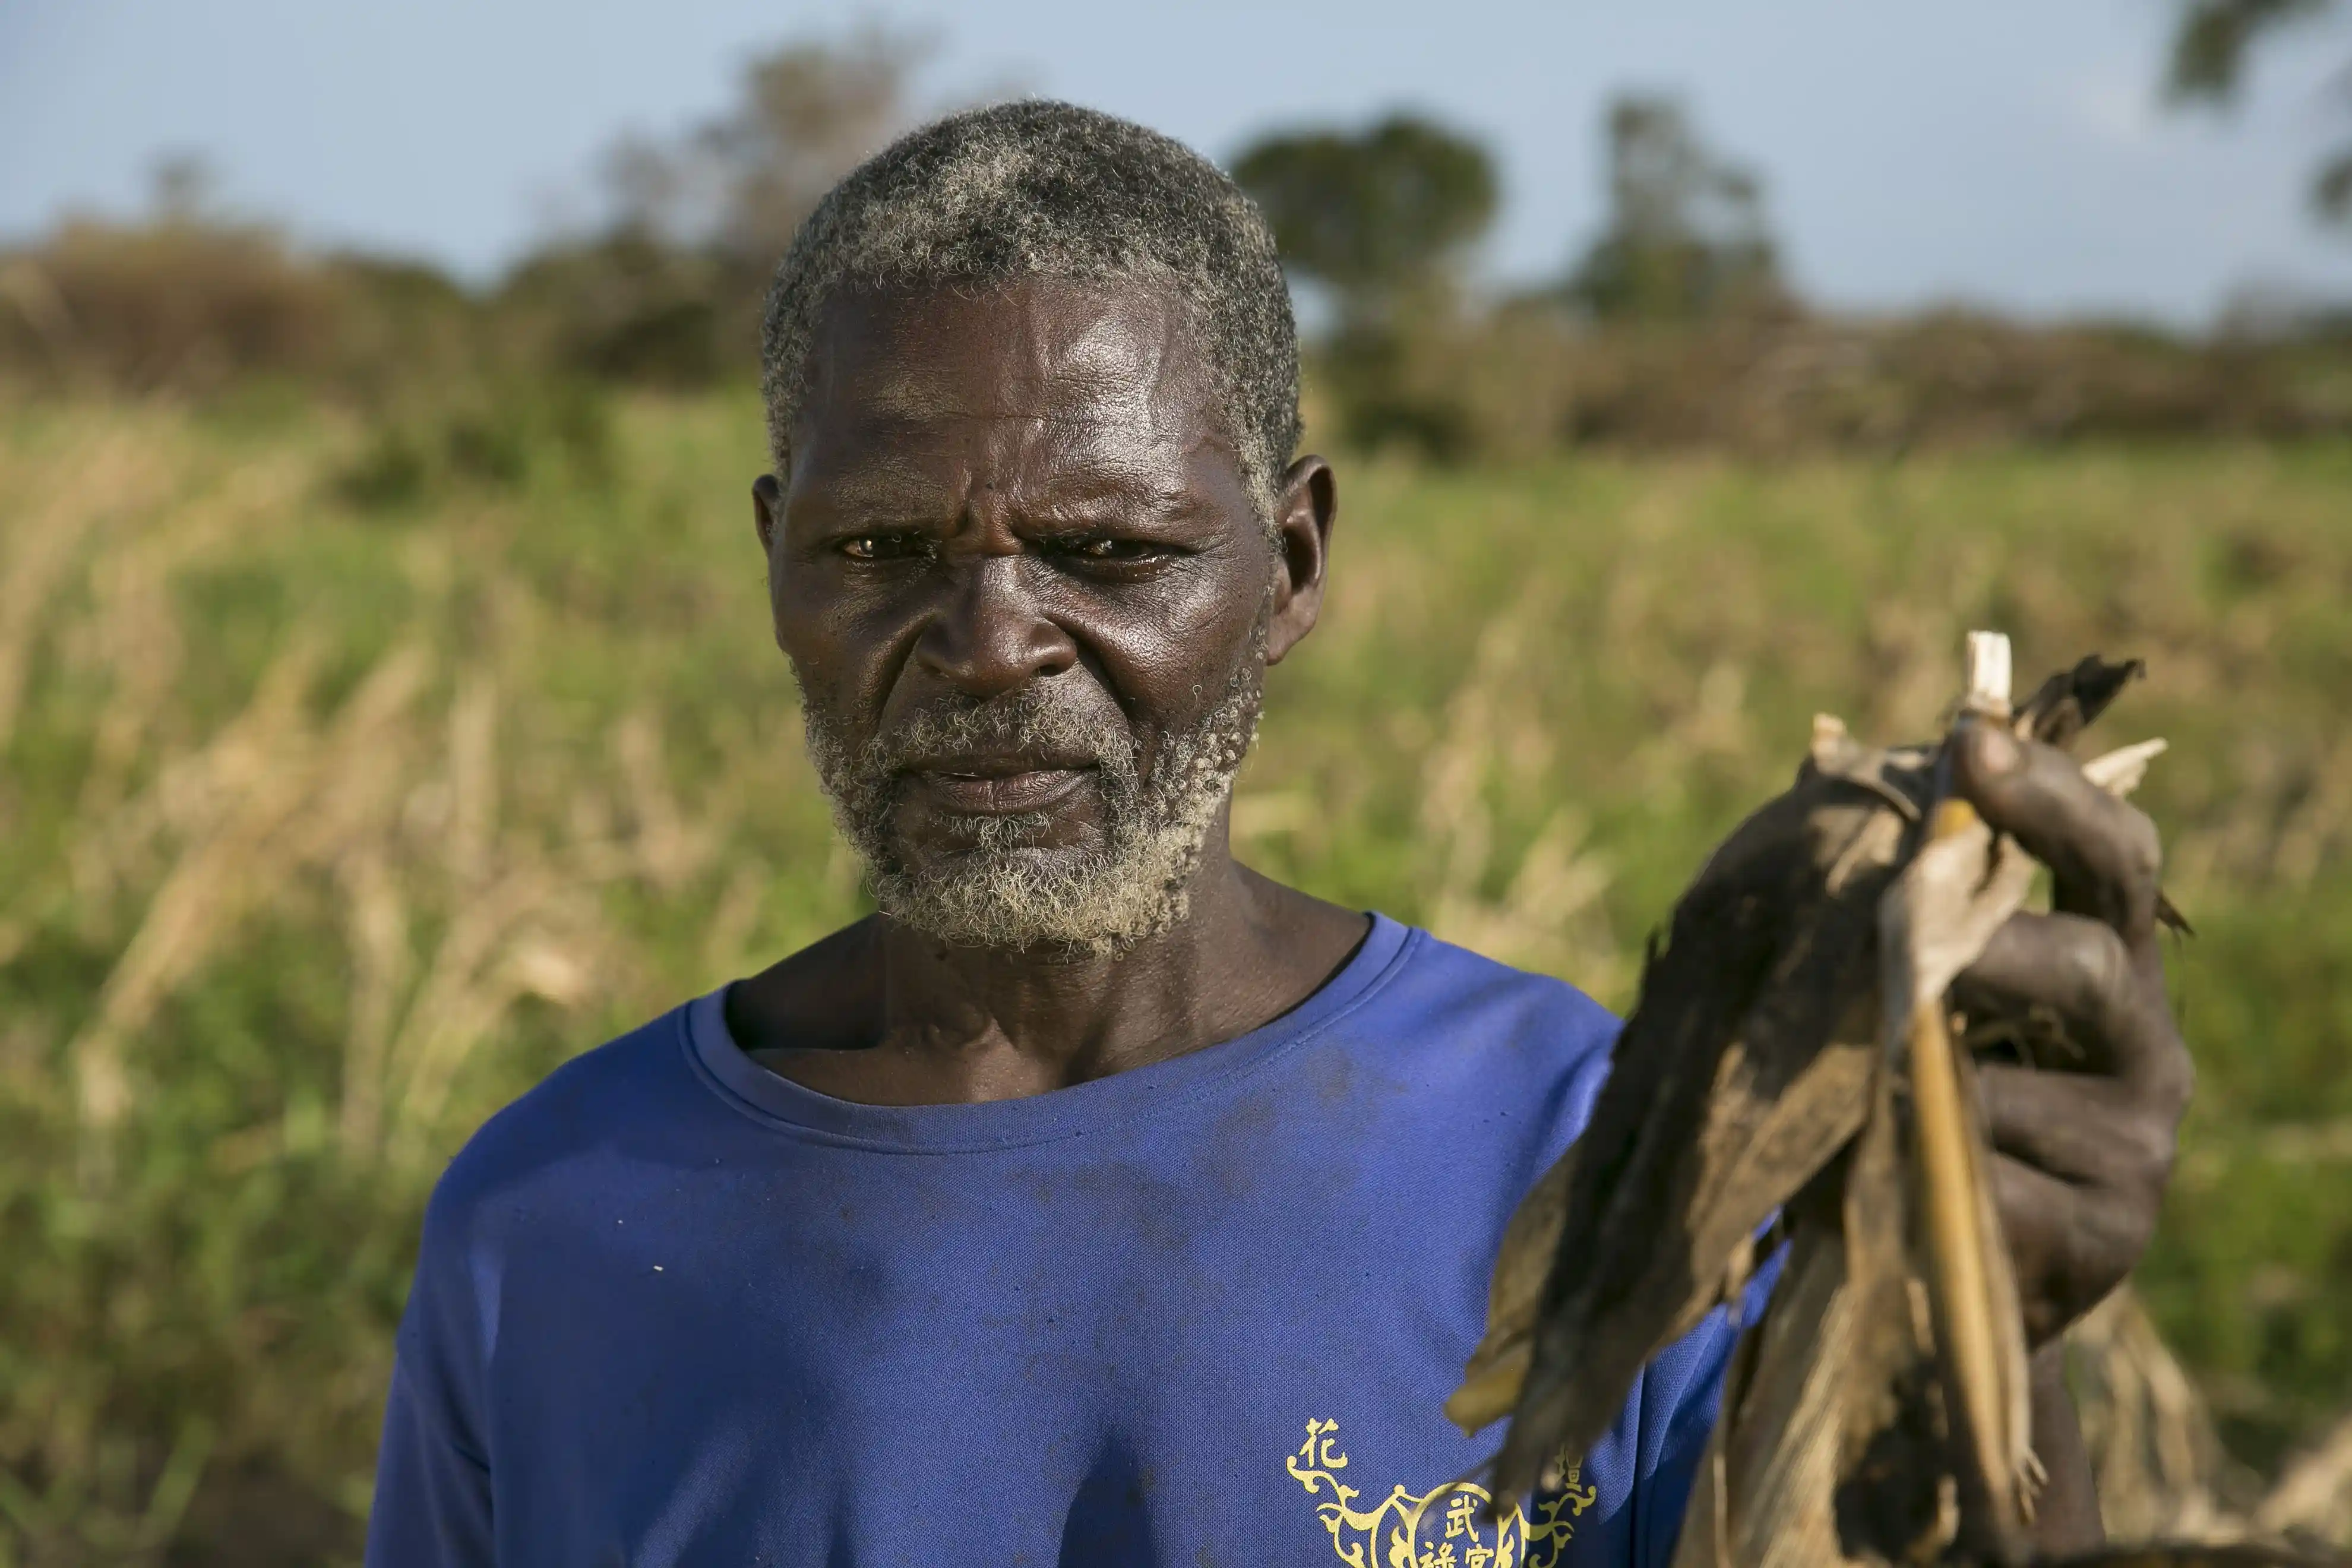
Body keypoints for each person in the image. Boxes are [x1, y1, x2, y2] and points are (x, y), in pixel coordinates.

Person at [365, 101, 2190, 1567]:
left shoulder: (1619, 1165)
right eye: (878, 551)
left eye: (1110, 553)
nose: (993, 646)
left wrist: (1986, 1346)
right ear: (774, 560)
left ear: (1291, 564)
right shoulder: (554, 1226)